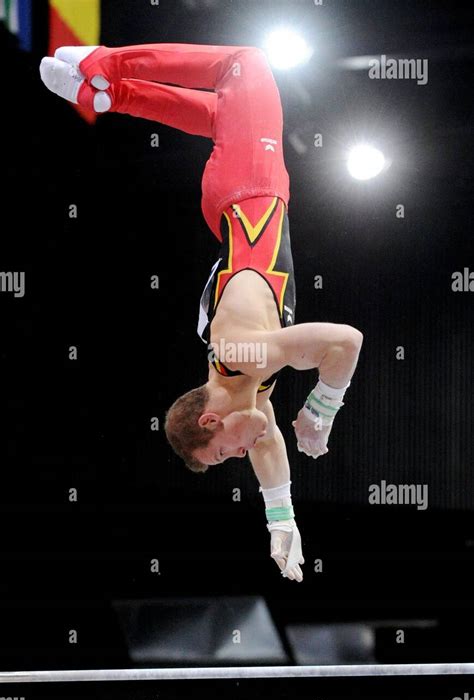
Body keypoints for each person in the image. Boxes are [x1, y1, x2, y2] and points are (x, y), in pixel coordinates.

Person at [40, 43, 363, 582]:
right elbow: (265, 441)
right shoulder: (244, 380)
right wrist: (281, 521)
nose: (238, 455)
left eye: (220, 454)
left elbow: (345, 343)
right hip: (235, 198)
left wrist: (322, 410)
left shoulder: (242, 354)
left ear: (210, 420)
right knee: (219, 114)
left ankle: (103, 62)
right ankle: (102, 93)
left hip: (251, 186)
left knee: (245, 62)